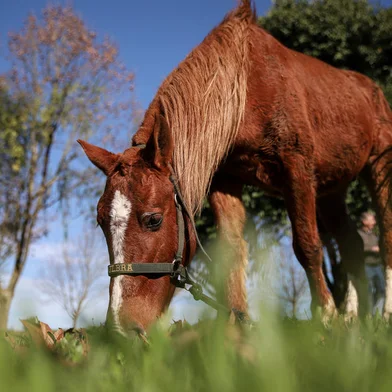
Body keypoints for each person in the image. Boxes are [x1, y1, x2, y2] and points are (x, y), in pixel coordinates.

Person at [358, 212, 385, 315]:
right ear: (364, 221)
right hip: (366, 266)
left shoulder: (374, 234)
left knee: (382, 290)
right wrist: (372, 249)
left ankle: (376, 314)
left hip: (377, 266)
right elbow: (358, 249)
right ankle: (368, 314)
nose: (374, 222)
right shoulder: (359, 235)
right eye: (372, 219)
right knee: (369, 291)